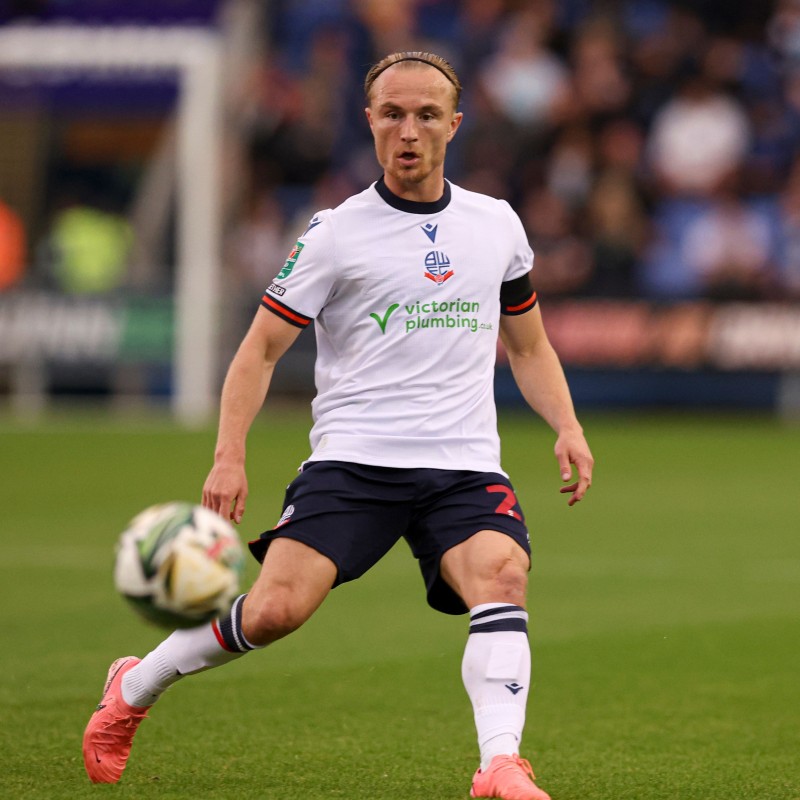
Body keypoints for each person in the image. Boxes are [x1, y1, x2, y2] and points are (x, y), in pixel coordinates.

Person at [82, 51, 594, 800]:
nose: (408, 131)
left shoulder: (497, 225)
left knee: (503, 575)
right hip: (355, 461)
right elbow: (258, 349)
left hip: (463, 464)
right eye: (392, 114)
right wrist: (230, 456)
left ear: (455, 124)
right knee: (276, 610)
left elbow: (528, 344)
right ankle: (134, 685)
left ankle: (499, 766)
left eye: (426, 115)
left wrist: (567, 425)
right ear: (370, 122)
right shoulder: (334, 233)